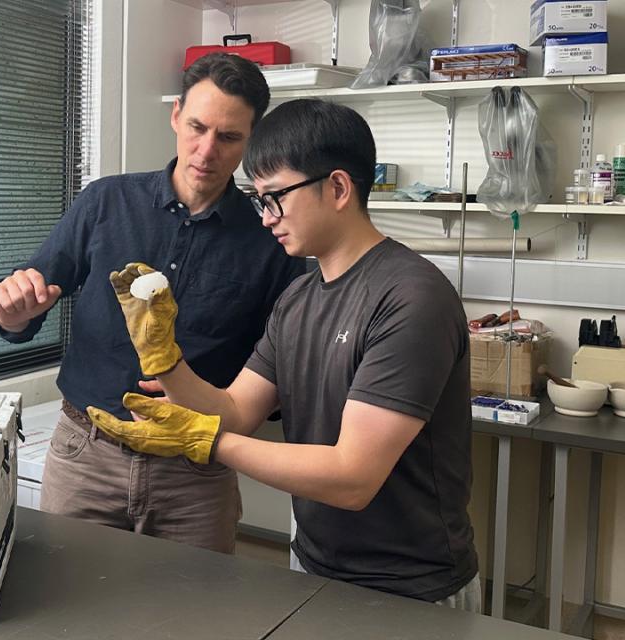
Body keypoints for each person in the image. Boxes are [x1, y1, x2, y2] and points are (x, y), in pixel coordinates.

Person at [88, 99, 481, 611]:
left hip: (411, 586)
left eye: (275, 197)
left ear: (338, 188)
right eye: (259, 199)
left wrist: (206, 444)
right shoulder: (299, 297)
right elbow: (234, 411)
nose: (266, 217)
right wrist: (164, 356)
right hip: (315, 565)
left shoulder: (410, 297)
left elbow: (353, 477)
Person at [0, 53, 306, 554]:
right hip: (85, 457)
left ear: (252, 139)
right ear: (176, 114)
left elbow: (271, 375)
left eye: (229, 138)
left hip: (196, 474)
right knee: (69, 610)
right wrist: (12, 310)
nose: (206, 151)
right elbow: (26, 301)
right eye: (198, 126)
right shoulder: (104, 202)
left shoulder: (271, 239)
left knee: (188, 615)